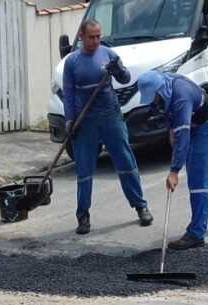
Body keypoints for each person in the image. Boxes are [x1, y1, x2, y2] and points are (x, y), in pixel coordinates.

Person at [62, 19, 153, 235]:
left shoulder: (108, 54)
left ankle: (141, 206)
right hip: (85, 122)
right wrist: (69, 120)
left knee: (126, 162)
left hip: (111, 116)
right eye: (91, 37)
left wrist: (118, 70)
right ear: (81, 37)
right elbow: (68, 93)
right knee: (84, 170)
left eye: (98, 36)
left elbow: (126, 78)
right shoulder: (72, 62)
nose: (95, 40)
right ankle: (83, 215)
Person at [136, 71, 208, 250]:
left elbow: (183, 138)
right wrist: (172, 129)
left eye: (153, 96)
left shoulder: (181, 96)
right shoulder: (164, 86)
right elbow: (168, 115)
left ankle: (196, 233)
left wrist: (174, 171)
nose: (153, 101)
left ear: (159, 90)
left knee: (198, 180)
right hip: (196, 122)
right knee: (201, 174)